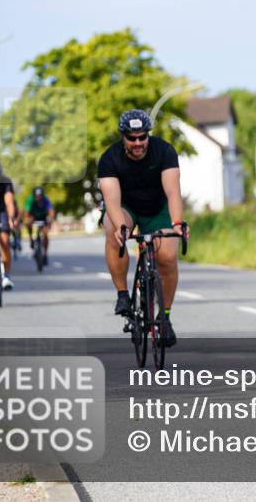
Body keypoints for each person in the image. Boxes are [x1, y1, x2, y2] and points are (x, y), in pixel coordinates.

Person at [99, 109, 187, 347]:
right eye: (132, 138)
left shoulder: (164, 151)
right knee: (113, 231)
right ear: (123, 137)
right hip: (126, 207)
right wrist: (120, 227)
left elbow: (172, 192)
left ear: (148, 135)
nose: (138, 142)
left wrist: (177, 224)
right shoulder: (110, 158)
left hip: (157, 207)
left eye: (142, 137)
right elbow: (112, 202)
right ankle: (123, 295)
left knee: (168, 256)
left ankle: (164, 317)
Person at [24, 186, 56, 264]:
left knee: (45, 234)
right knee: (28, 223)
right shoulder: (30, 199)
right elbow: (26, 212)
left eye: (40, 196)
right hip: (33, 216)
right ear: (34, 195)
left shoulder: (45, 199)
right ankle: (31, 238)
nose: (38, 198)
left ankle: (45, 253)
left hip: (43, 217)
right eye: (36, 196)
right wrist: (27, 219)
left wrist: (51, 219)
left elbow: (51, 211)